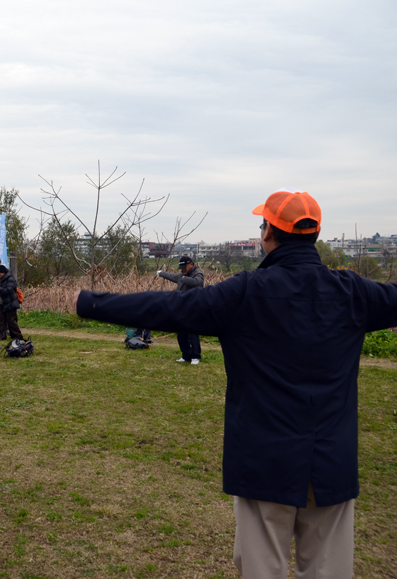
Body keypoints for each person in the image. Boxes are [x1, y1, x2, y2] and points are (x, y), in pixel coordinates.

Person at [75, 191, 397, 578]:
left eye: (263, 224)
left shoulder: (247, 291)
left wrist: (93, 303)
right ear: (314, 234)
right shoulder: (354, 293)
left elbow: (168, 309)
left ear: (268, 235)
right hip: (332, 462)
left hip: (265, 463)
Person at [157, 254, 205, 364]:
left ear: (191, 264)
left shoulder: (198, 274)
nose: (182, 270)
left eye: (184, 267)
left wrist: (184, 278)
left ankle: (196, 356)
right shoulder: (181, 275)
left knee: (192, 333)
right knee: (181, 333)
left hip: (193, 308)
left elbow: (197, 282)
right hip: (182, 308)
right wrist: (161, 273)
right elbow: (172, 276)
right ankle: (186, 355)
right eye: (181, 268)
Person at [0, 264, 24, 342]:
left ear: (4, 272)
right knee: (2, 320)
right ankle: (2, 336)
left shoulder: (10, 279)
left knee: (11, 320)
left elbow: (8, 290)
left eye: (0, 273)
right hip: (3, 303)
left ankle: (17, 335)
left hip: (11, 302)